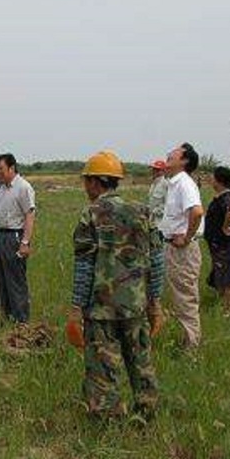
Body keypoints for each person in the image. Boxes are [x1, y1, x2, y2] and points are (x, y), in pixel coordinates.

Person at [67, 151, 164, 421]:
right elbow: (157, 261)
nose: (85, 187)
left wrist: (76, 309)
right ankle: (147, 412)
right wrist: (156, 303)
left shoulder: (91, 214)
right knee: (141, 362)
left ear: (97, 182)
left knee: (102, 368)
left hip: (101, 308)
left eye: (87, 181)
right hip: (137, 305)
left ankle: (109, 419)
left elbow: (84, 267)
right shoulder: (143, 212)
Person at [159, 142, 204, 349]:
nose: (168, 155)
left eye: (173, 155)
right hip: (173, 247)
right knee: (178, 298)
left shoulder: (184, 183)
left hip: (182, 250)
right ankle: (185, 342)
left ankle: (191, 349)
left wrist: (185, 238)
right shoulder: (174, 183)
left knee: (185, 300)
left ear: (184, 160)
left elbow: (196, 212)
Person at [0, 153, 35, 323]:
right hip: (0, 236)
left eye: (0, 169)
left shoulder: (23, 187)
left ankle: (21, 320)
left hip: (14, 237)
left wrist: (25, 242)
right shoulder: (2, 187)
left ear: (11, 168)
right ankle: (7, 315)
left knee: (15, 280)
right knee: (2, 279)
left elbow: (30, 215)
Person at [204, 166, 230, 317]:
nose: (210, 179)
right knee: (220, 272)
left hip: (223, 243)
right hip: (216, 242)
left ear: (219, 180)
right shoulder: (223, 195)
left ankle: (229, 310)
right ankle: (223, 304)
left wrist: (225, 226)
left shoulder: (227, 197)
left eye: (212, 177)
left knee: (229, 276)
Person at [147, 159, 168, 231]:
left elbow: (168, 205)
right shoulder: (153, 184)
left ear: (163, 171)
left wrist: (155, 211)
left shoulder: (166, 184)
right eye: (153, 169)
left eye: (157, 170)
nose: (154, 171)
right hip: (152, 221)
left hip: (161, 222)